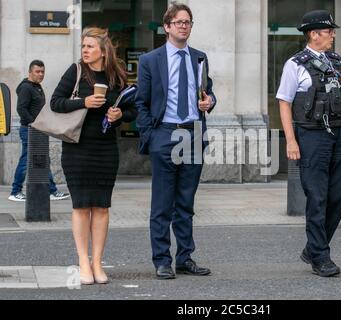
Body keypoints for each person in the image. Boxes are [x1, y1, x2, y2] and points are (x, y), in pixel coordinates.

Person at [277, 10, 341, 277]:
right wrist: (290, 140)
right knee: (317, 196)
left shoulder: (338, 62)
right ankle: (320, 257)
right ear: (314, 34)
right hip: (313, 136)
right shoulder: (295, 64)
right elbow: (284, 102)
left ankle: (313, 247)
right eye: (329, 32)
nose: (333, 35)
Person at [135, 2, 216, 280]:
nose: (184, 26)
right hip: (166, 133)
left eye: (188, 22)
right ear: (167, 27)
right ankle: (161, 260)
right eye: (179, 22)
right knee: (162, 203)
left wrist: (210, 101)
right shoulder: (150, 60)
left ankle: (185, 258)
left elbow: (208, 92)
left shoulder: (200, 58)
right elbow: (141, 102)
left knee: (185, 202)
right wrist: (151, 136)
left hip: (192, 132)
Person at [50, 27, 137, 285]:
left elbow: (133, 109)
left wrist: (120, 115)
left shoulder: (116, 75)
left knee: (101, 206)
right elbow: (55, 102)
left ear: (102, 50)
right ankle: (82, 262)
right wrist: (83, 103)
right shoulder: (75, 71)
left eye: (89, 46)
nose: (85, 51)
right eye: (83, 47)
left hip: (105, 148)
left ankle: (97, 262)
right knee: (80, 205)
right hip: (77, 147)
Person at [8, 60, 70, 202]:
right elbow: (21, 109)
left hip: (38, 130)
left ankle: (51, 191)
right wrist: (33, 124)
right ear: (30, 72)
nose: (41, 74)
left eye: (42, 71)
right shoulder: (26, 88)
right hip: (30, 130)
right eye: (37, 71)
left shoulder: (37, 87)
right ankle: (15, 191)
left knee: (43, 159)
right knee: (26, 160)